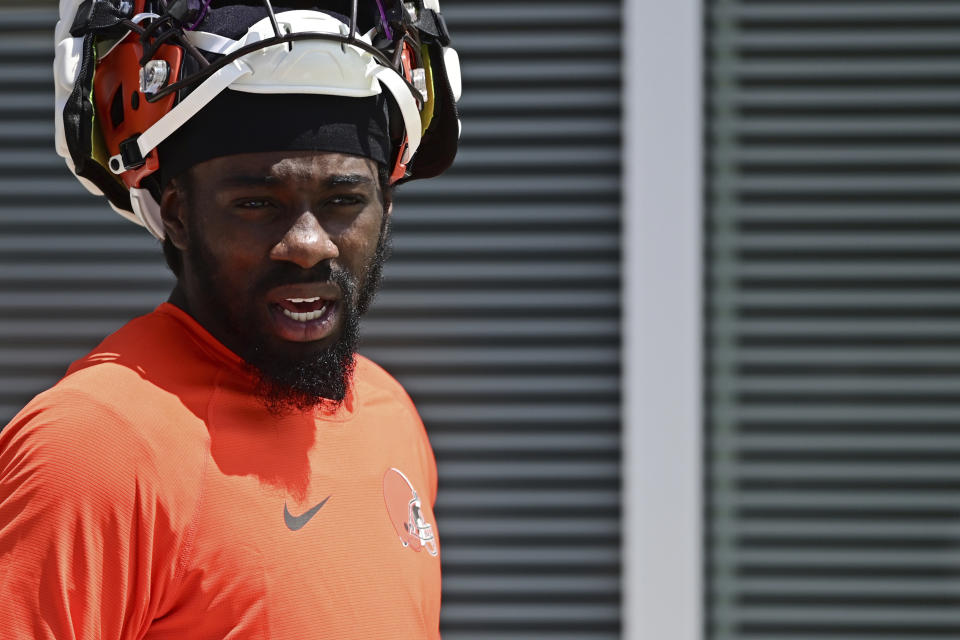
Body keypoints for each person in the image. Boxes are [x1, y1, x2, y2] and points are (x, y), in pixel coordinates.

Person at [0, 1, 461, 637]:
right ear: (178, 213)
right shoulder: (95, 446)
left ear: (386, 206)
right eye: (255, 202)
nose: (309, 243)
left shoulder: (391, 413)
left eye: (343, 200)